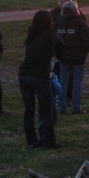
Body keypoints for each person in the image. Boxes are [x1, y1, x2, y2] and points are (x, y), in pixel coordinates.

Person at [18, 10, 64, 148]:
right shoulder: (50, 34)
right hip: (39, 75)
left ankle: (32, 141)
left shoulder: (32, 34)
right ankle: (50, 141)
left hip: (24, 74)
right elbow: (60, 42)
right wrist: (58, 56)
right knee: (46, 110)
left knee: (29, 110)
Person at [55, 0, 89, 115]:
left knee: (62, 82)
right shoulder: (80, 23)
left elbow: (53, 39)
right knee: (77, 82)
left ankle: (61, 107)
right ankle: (76, 107)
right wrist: (84, 51)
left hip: (63, 57)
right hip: (78, 58)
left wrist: (57, 53)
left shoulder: (58, 23)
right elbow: (88, 38)